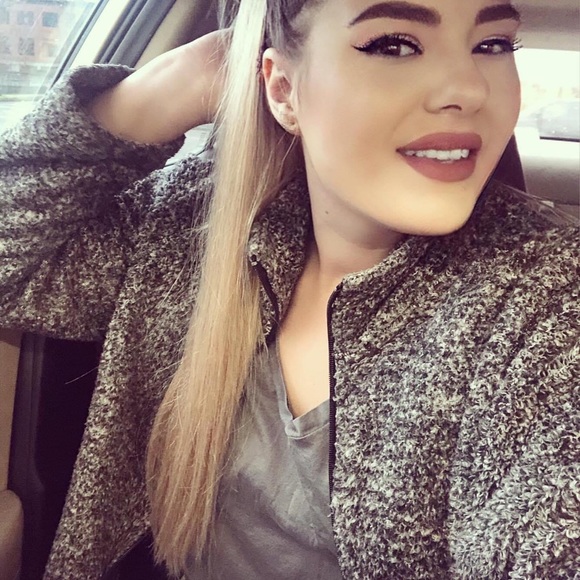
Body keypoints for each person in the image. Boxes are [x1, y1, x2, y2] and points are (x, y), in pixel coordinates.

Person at [0, 0, 578, 578]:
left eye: (492, 44)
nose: (470, 89)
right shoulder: (192, 223)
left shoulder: (548, 299)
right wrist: (170, 86)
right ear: (282, 90)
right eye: (395, 45)